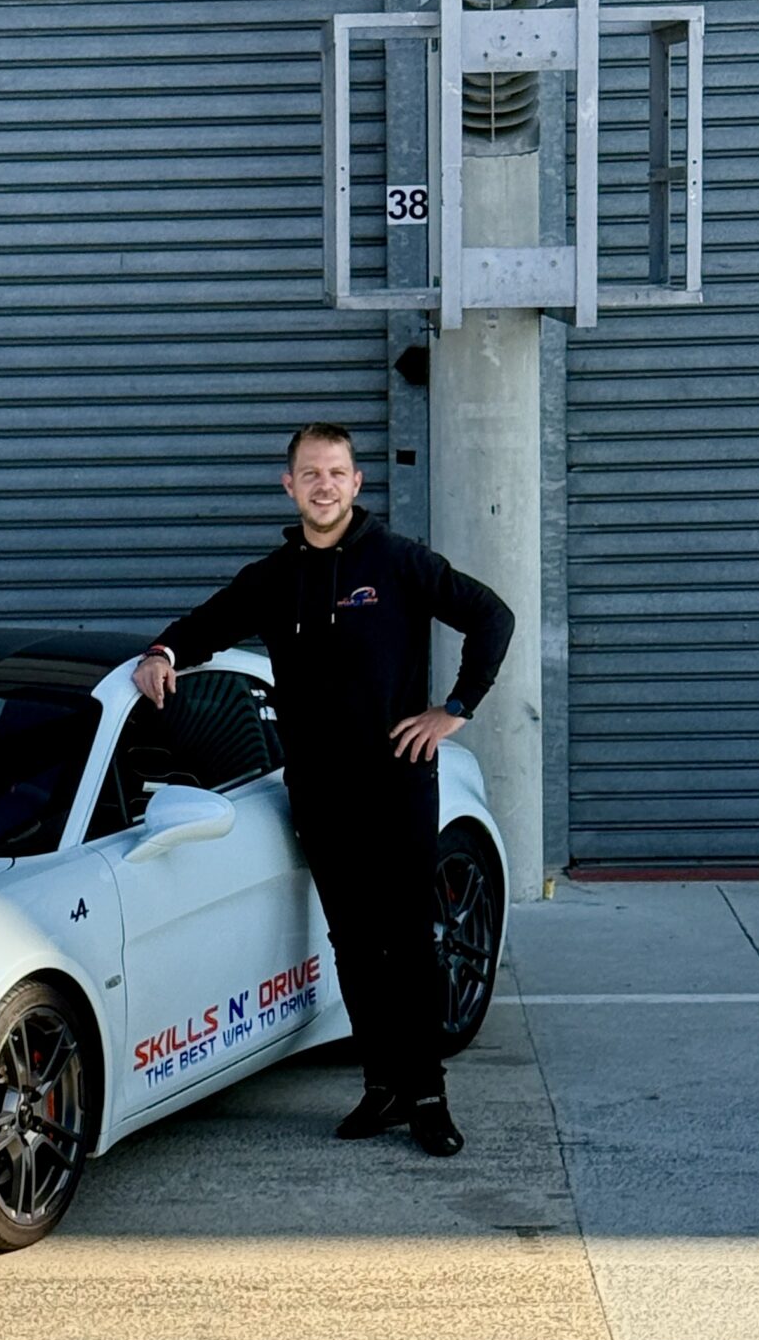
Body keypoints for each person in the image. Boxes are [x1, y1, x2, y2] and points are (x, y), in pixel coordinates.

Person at [133, 423, 513, 1157]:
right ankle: (383, 1086)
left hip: (397, 782)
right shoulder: (274, 578)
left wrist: (454, 709)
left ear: (356, 482)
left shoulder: (398, 561)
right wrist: (162, 652)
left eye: (336, 472)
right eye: (310, 474)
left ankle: (428, 1095)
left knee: (408, 939)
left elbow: (492, 616)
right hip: (319, 790)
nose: (324, 486)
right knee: (354, 942)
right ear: (290, 486)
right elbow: (206, 624)